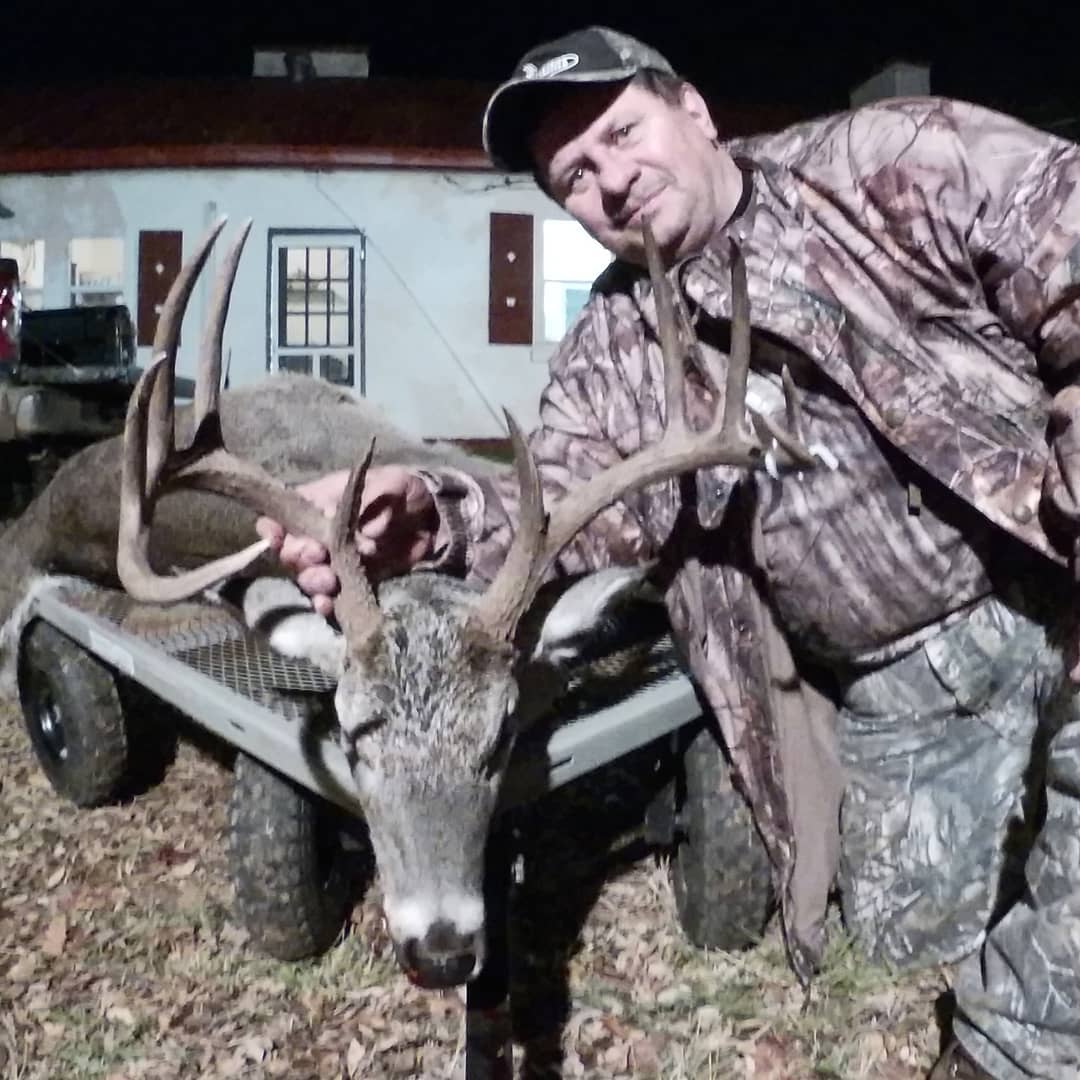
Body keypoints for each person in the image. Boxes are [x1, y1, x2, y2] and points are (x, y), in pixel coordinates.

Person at [257, 26, 1080, 1080]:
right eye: (575, 178)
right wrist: (437, 515)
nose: (609, 182)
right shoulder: (612, 351)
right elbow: (554, 507)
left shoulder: (894, 158)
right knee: (902, 932)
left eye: (620, 134)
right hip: (906, 677)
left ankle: (1009, 1052)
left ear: (692, 108)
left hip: (1054, 581)